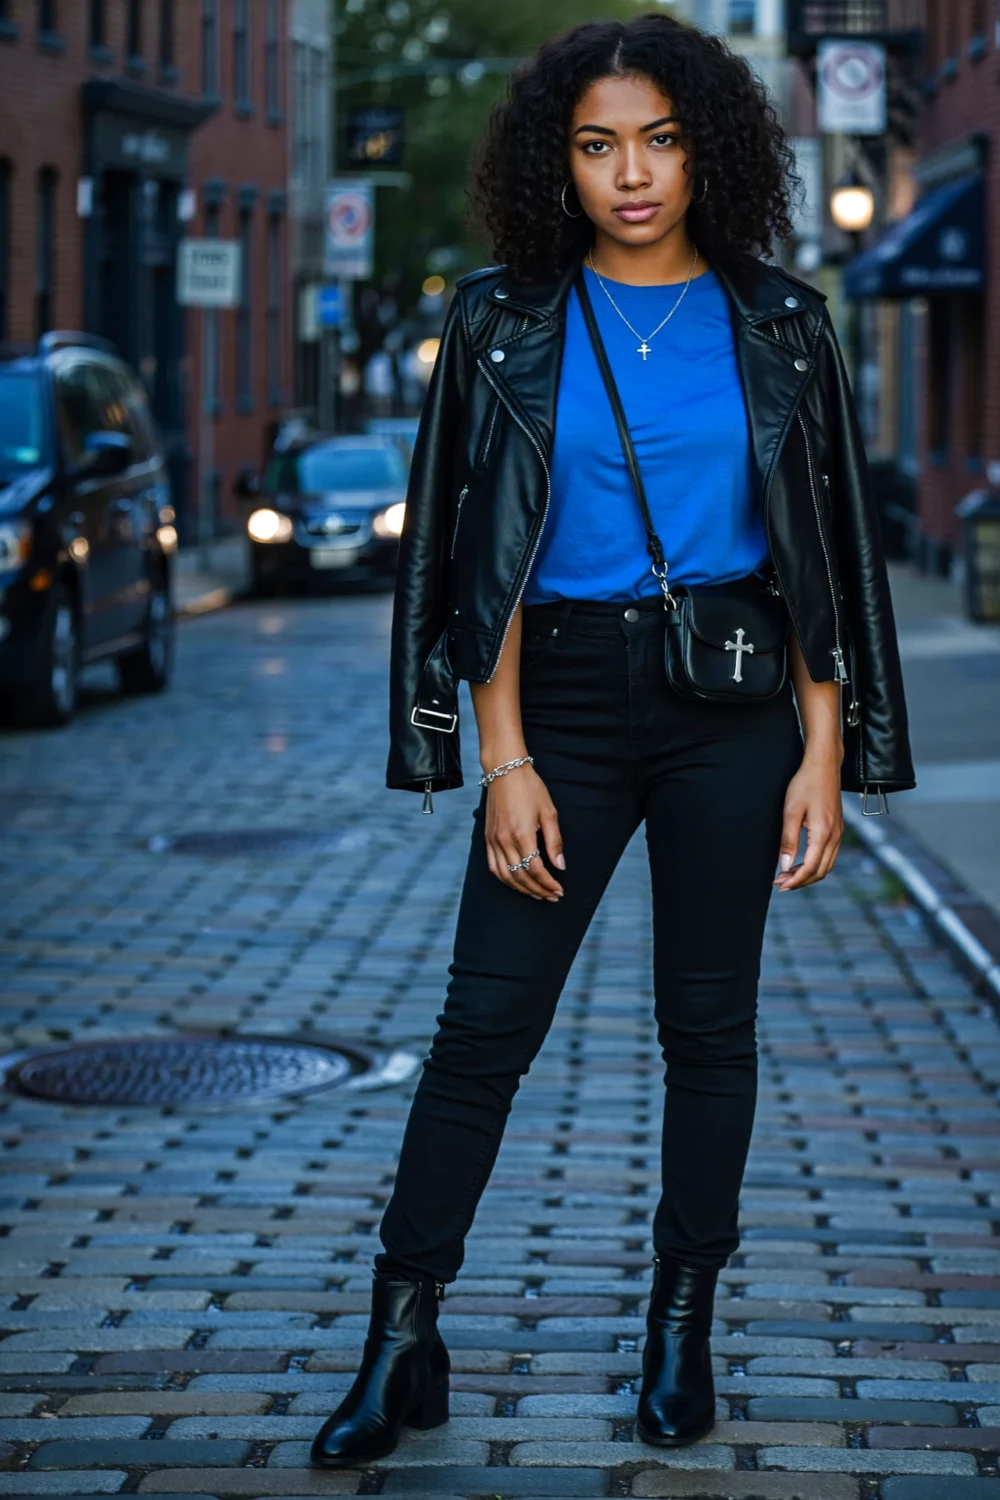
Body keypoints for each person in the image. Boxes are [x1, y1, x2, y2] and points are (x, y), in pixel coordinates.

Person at [310, 12, 914, 1469]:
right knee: (482, 1028)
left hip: (732, 707)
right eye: (598, 146)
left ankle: (680, 1326)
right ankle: (401, 1335)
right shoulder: (500, 320)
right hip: (562, 704)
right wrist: (504, 759)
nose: (632, 174)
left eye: (660, 141)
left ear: (710, 153)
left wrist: (824, 750)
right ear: (557, 162)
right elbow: (474, 554)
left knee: (709, 1031)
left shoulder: (782, 321)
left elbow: (821, 553)